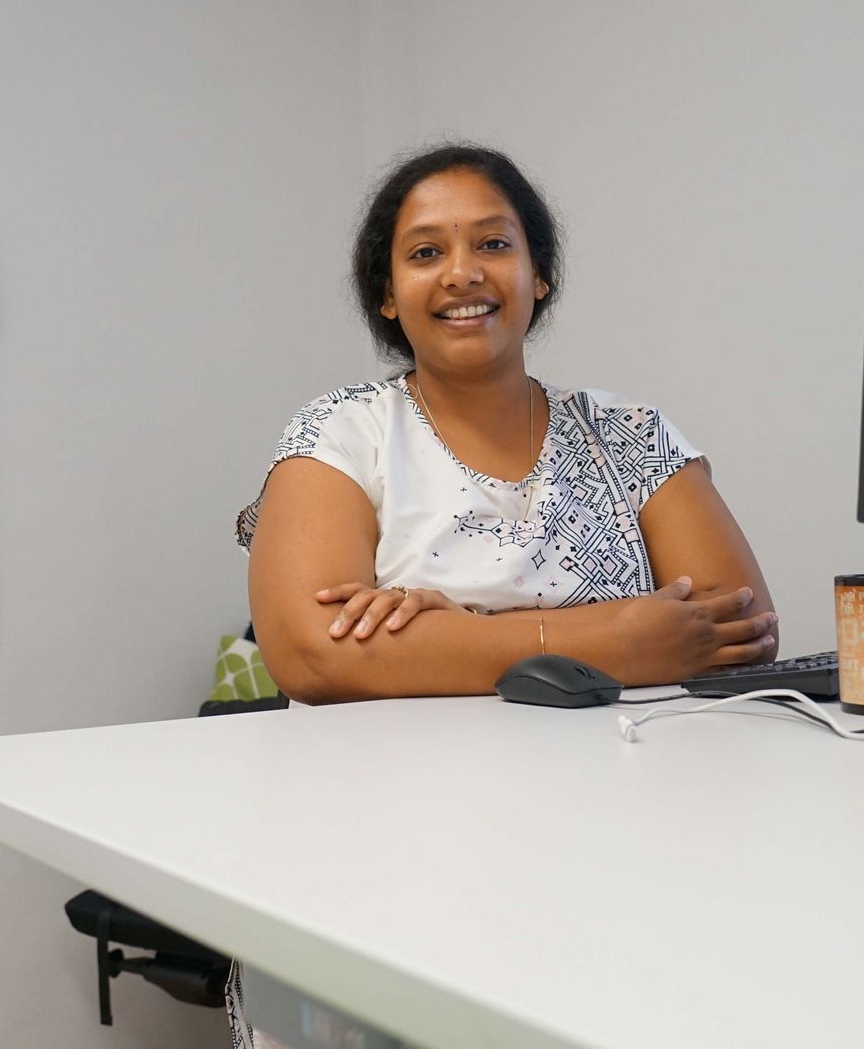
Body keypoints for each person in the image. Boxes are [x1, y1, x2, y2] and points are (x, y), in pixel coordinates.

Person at [238, 144, 777, 706]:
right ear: (388, 295)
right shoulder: (341, 433)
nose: (462, 274)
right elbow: (311, 655)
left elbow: (745, 629)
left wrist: (455, 633)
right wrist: (621, 639)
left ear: (538, 274)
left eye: (493, 245)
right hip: (403, 788)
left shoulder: (630, 433)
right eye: (425, 253)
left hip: (628, 778)